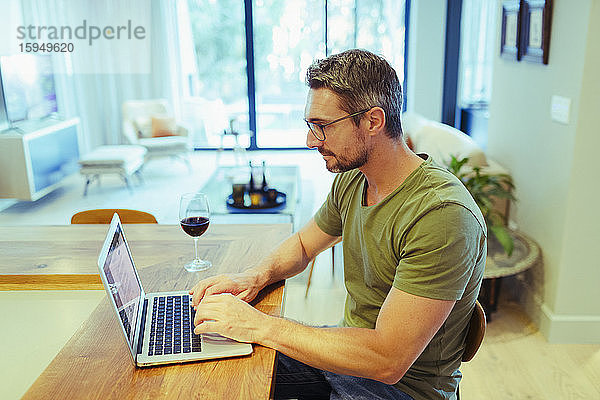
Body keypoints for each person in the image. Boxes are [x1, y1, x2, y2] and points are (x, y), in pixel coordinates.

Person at [189, 49, 486, 400]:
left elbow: (387, 360)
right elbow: (303, 245)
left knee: (254, 342)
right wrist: (253, 277)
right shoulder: (354, 178)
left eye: (323, 126)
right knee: (222, 360)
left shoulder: (441, 215)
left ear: (373, 121)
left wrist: (262, 325)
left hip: (402, 387)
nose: (311, 141)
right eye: (310, 125)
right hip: (352, 357)